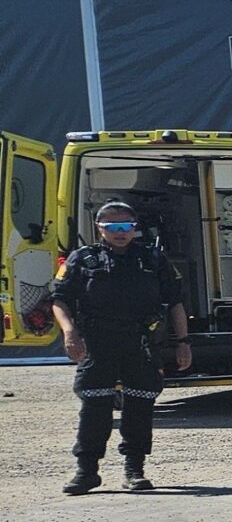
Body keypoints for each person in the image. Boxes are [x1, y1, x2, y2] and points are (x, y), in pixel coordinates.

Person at [48, 201, 189, 495]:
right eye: (113, 227)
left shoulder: (153, 259)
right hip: (97, 342)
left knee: (140, 406)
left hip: (140, 342)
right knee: (94, 408)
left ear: (135, 228)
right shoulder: (82, 259)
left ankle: (134, 471)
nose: (120, 232)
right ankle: (87, 472)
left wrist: (183, 342)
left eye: (126, 226)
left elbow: (175, 302)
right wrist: (70, 332)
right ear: (100, 229)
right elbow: (60, 300)